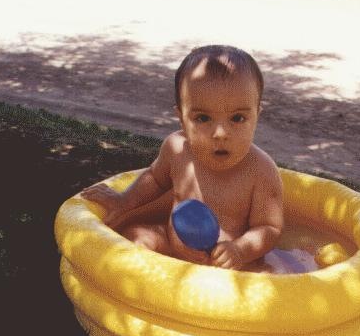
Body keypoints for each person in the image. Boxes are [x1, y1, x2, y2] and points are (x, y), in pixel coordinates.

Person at [80, 45, 284, 270]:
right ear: (182, 119)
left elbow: (269, 228)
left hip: (228, 268)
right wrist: (124, 201)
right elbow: (154, 180)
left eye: (237, 118)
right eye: (203, 118)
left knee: (265, 276)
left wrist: (240, 250)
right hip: (171, 248)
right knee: (135, 237)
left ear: (256, 116)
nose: (220, 134)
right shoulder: (177, 150)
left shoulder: (260, 170)